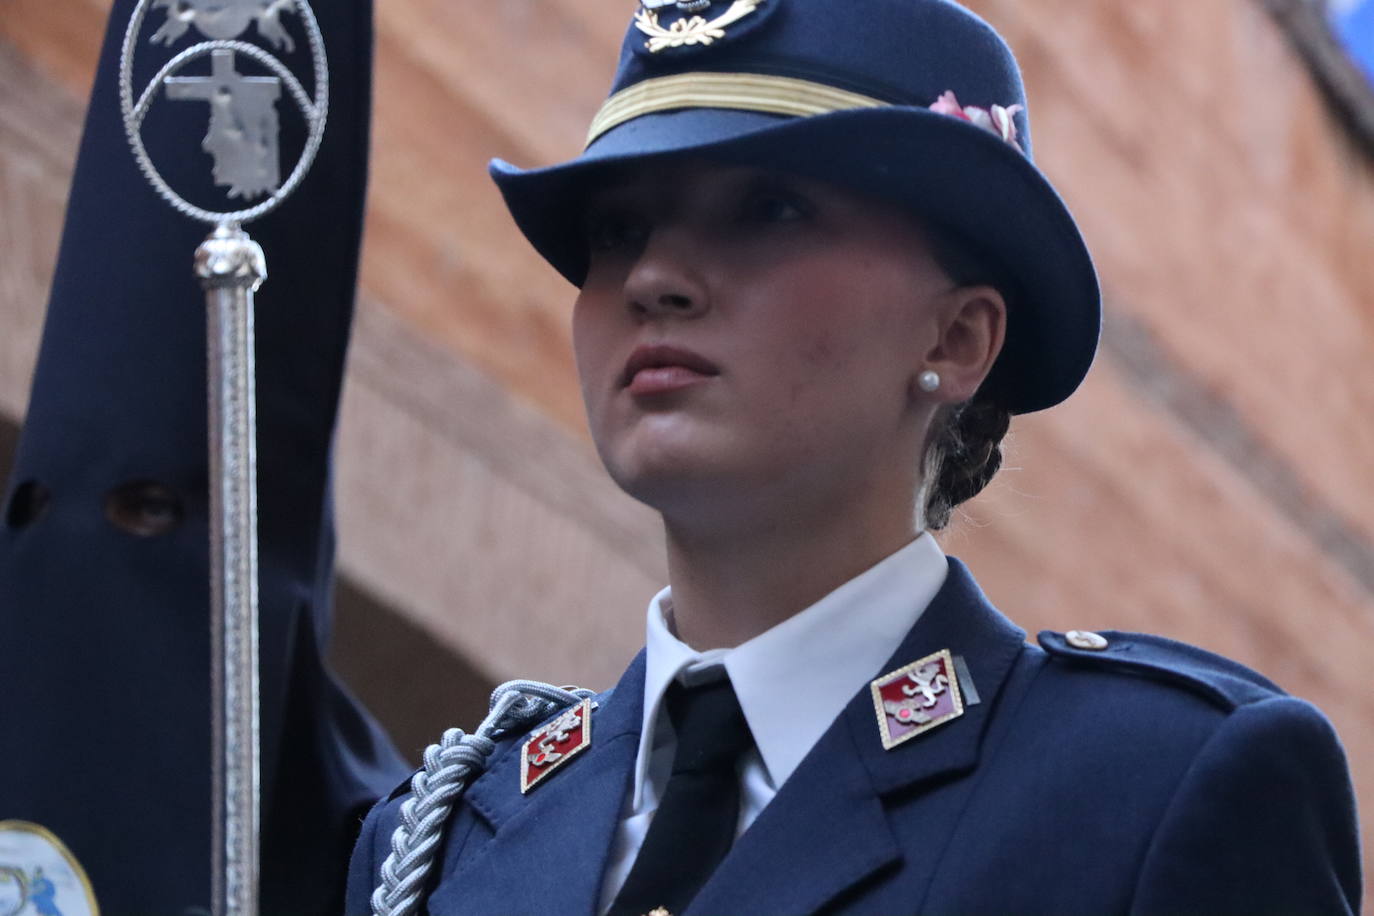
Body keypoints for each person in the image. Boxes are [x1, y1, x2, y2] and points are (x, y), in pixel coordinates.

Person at [346, 0, 1362, 913]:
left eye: (770, 209)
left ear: (955, 339)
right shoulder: (444, 839)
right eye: (618, 229)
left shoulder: (1149, 790)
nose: (653, 276)